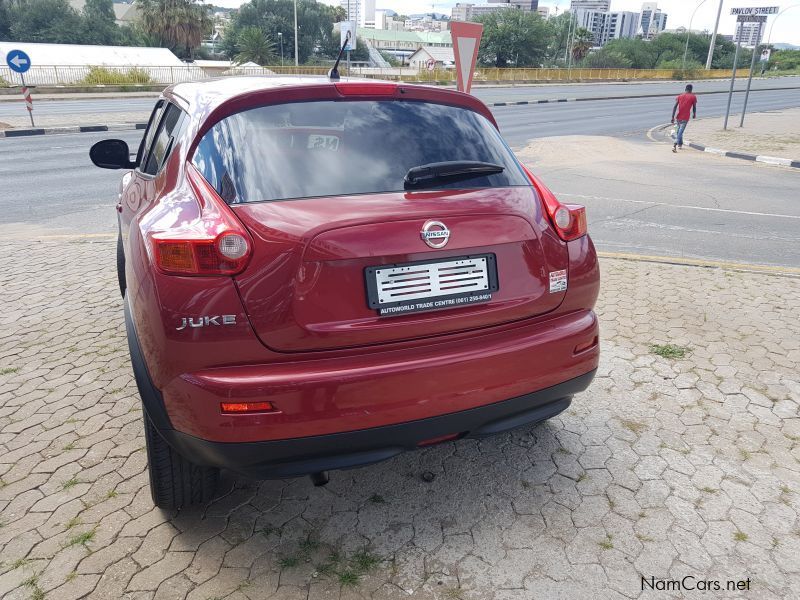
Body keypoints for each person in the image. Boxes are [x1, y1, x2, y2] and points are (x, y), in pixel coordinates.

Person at [671, 84, 698, 153]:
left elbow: (674, 107)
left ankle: (680, 144)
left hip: (678, 117)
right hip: (685, 117)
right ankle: (675, 144)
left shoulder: (680, 96)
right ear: (691, 90)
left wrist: (672, 117)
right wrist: (694, 114)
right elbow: (694, 107)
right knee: (680, 131)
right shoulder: (693, 97)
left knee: (678, 131)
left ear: (685, 89)